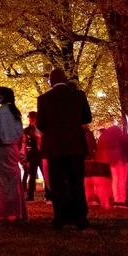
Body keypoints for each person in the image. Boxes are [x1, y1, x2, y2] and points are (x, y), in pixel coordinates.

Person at [36, 69, 93, 230]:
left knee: (57, 184)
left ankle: (60, 218)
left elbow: (41, 124)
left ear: (51, 81)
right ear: (66, 79)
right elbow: (87, 118)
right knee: (77, 183)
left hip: (54, 148)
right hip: (75, 146)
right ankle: (80, 219)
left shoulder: (44, 99)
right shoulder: (79, 96)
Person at [0, 87, 27, 222]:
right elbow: (20, 135)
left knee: (0, 183)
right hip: (13, 149)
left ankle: (3, 212)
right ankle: (17, 212)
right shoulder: (16, 114)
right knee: (14, 182)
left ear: (2, 97)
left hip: (1, 149)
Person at [97, 122, 128, 208]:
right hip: (121, 158)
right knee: (122, 179)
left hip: (112, 159)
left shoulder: (108, 141)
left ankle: (116, 199)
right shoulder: (120, 140)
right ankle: (122, 200)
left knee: (115, 179)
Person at [22, 111, 44, 202]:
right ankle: (31, 195)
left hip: (36, 153)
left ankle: (32, 195)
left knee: (37, 174)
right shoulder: (27, 130)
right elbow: (24, 143)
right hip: (33, 154)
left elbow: (39, 142)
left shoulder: (38, 128)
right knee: (32, 175)